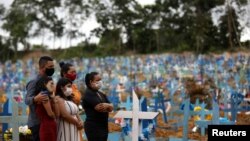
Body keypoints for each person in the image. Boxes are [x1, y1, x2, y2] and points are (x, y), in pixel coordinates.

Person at [25, 56, 55, 141]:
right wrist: (35, 99)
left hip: (47, 122)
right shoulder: (33, 81)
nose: (52, 69)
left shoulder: (49, 80)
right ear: (42, 67)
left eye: (53, 67)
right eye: (50, 67)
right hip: (37, 123)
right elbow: (27, 100)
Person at [82, 72, 114, 141]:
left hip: (103, 126)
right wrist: (108, 106)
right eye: (98, 80)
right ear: (91, 82)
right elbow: (100, 108)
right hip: (94, 128)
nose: (100, 82)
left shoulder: (100, 93)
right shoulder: (88, 93)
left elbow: (111, 107)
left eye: (101, 80)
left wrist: (108, 105)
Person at [34, 76, 59, 141]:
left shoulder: (46, 96)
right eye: (51, 83)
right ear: (45, 84)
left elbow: (56, 114)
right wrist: (54, 116)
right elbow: (51, 114)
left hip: (48, 126)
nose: (53, 85)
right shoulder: (44, 96)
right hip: (48, 127)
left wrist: (53, 98)